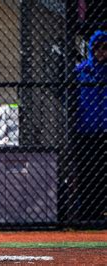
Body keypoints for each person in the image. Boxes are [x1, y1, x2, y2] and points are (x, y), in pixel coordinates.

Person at [61, 30, 106, 221]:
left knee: (102, 173)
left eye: (106, 48)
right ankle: (88, 212)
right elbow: (67, 96)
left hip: (104, 129)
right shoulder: (81, 71)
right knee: (86, 172)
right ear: (92, 49)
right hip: (85, 129)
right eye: (98, 48)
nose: (102, 52)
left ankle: (101, 210)